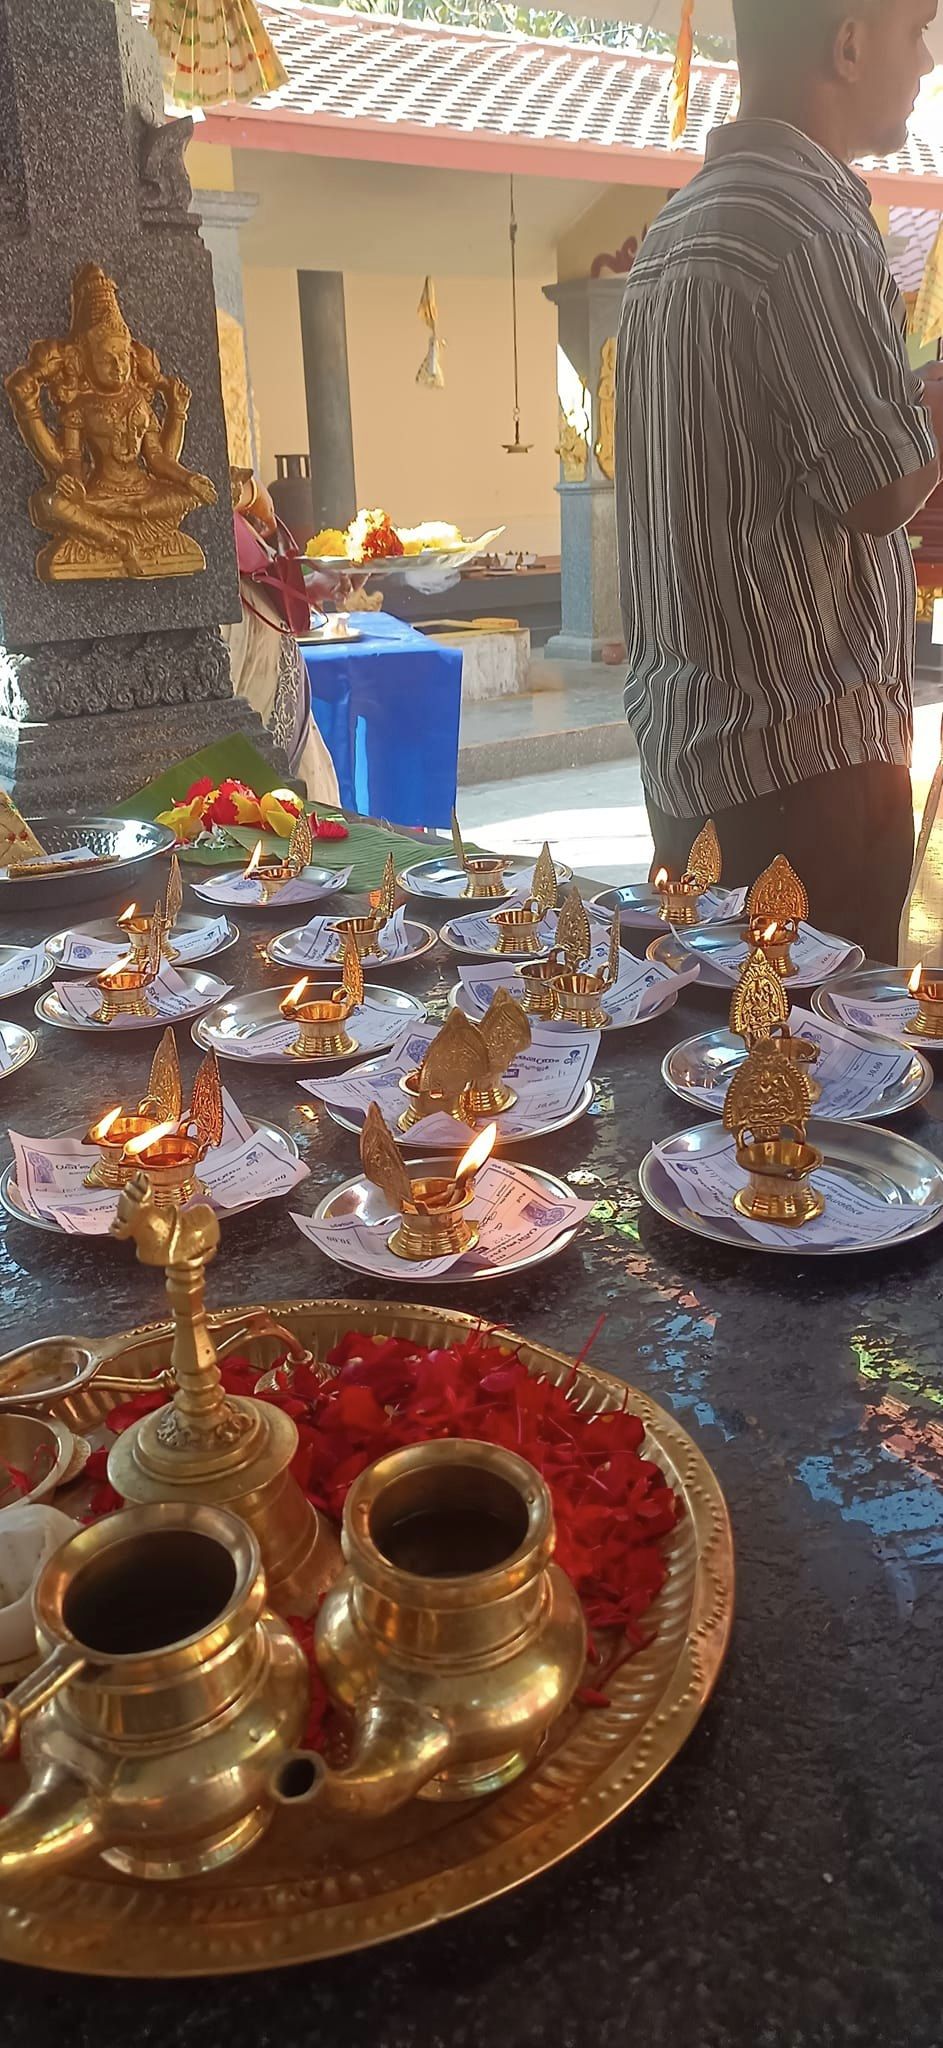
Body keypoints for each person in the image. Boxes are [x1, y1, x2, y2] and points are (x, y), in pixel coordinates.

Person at [615, 0, 943, 962]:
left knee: (726, 1062)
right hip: (806, 769)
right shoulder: (805, 227)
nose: (926, 61)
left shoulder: (676, 231)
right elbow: (878, 491)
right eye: (913, 30)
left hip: (693, 755)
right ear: (847, 42)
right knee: (823, 1080)